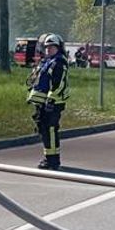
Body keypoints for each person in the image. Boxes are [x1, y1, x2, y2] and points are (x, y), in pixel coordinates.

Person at [27, 34, 70, 170]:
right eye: (46, 47)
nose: (48, 49)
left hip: (53, 103)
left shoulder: (59, 62)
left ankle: (53, 161)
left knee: (50, 131)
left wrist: (50, 100)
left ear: (58, 48)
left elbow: (58, 83)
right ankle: (49, 158)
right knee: (45, 130)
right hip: (44, 103)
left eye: (51, 47)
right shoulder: (48, 61)